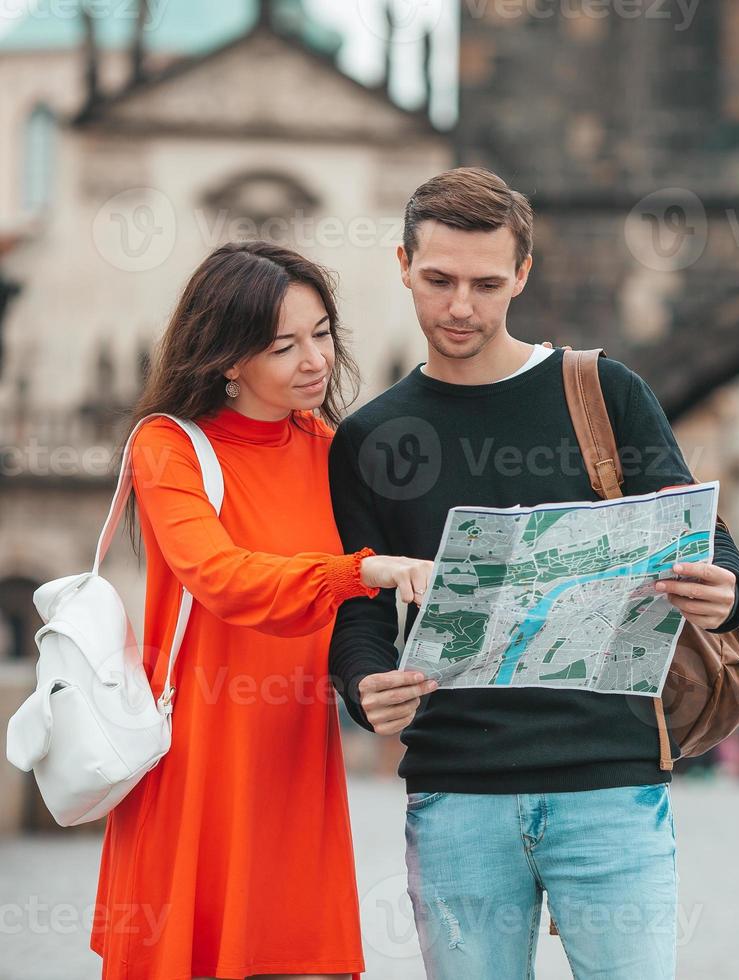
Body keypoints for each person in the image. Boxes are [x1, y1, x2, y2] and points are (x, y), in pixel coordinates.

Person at [326, 168, 739, 979]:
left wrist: (725, 595)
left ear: (523, 274)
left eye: (487, 284)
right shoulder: (370, 438)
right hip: (456, 790)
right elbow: (360, 607)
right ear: (403, 263)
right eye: (439, 280)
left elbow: (704, 537)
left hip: (610, 783)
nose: (461, 307)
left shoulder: (605, 392)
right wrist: (363, 682)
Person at [90, 241, 433, 980]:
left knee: (300, 958)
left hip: (293, 757)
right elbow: (222, 578)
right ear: (227, 359)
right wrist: (361, 569)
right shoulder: (168, 446)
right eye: (284, 345)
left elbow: (383, 596)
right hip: (196, 760)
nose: (315, 359)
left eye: (321, 333)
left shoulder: (335, 451)